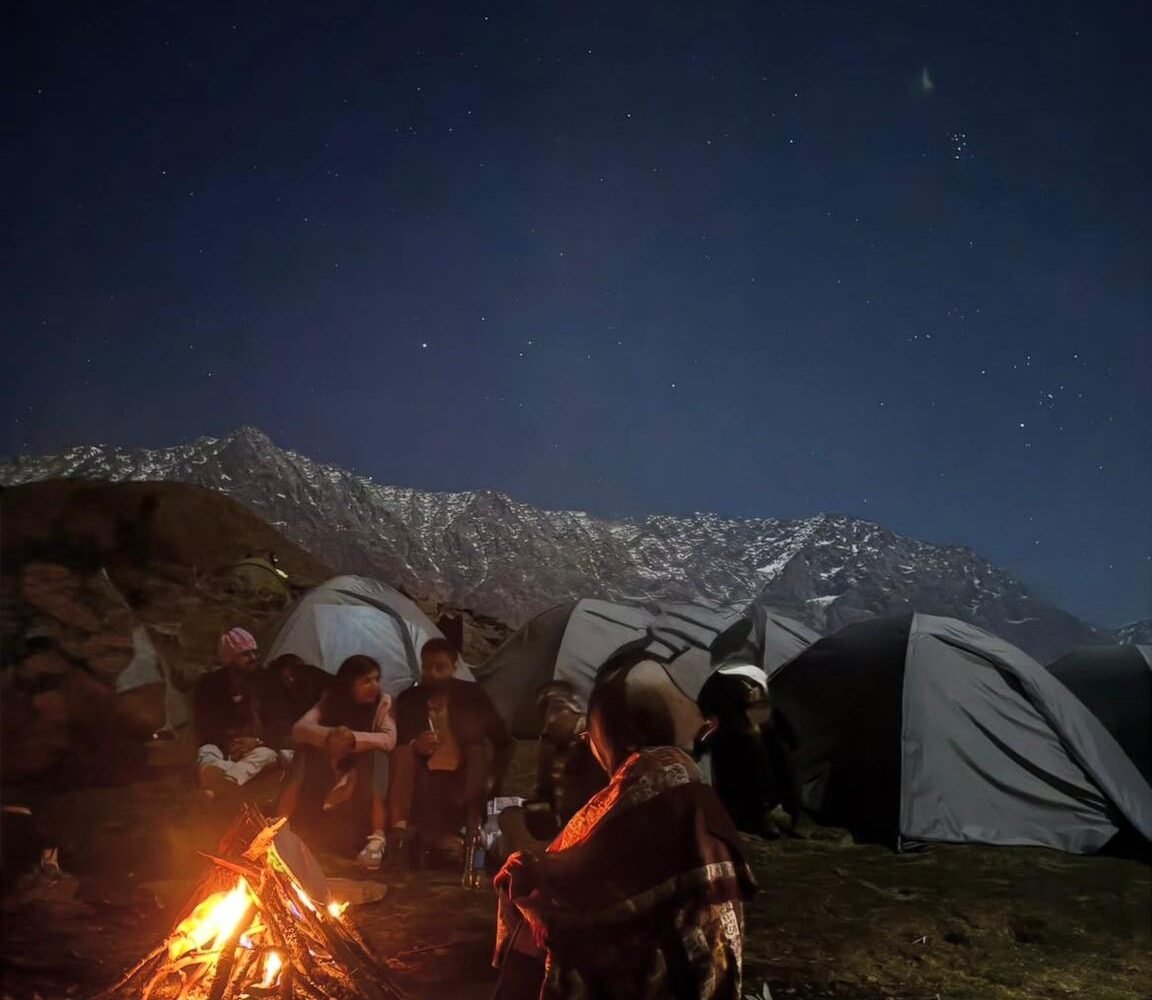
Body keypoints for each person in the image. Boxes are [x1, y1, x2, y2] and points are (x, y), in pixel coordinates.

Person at [492, 656, 756, 1000]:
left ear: (610, 733)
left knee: (531, 898)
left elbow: (586, 888)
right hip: (707, 977)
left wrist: (527, 862)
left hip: (648, 974)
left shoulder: (645, 790)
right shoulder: (687, 785)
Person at [390, 638, 515, 862]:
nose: (433, 674)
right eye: (427, 668)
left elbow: (503, 740)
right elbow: (398, 740)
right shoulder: (410, 699)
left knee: (476, 750)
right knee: (403, 753)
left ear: (453, 666)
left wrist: (494, 777)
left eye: (440, 667)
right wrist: (415, 745)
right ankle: (402, 833)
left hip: (464, 774)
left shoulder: (471, 696)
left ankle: (469, 835)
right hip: (423, 775)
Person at [277, 655, 396, 869]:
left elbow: (388, 739)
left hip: (360, 777)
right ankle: (278, 827)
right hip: (328, 770)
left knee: (378, 756)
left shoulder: (382, 703)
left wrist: (353, 740)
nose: (374, 686)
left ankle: (377, 838)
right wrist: (330, 737)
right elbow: (300, 729)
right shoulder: (330, 701)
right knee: (304, 751)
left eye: (376, 679)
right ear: (349, 684)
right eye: (366, 681)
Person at [499, 682, 607, 855]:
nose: (551, 714)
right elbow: (543, 796)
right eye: (546, 708)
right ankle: (533, 850)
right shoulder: (549, 746)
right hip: (559, 821)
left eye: (558, 706)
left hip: (591, 823)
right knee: (509, 816)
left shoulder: (596, 739)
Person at [193, 627, 281, 798]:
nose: (253, 658)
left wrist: (256, 741)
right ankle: (223, 775)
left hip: (258, 747)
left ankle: (228, 779)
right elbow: (204, 724)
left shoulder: (268, 682)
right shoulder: (209, 685)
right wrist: (228, 742)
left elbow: (279, 723)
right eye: (245, 654)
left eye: (254, 653)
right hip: (223, 747)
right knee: (206, 750)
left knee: (266, 755)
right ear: (230, 658)